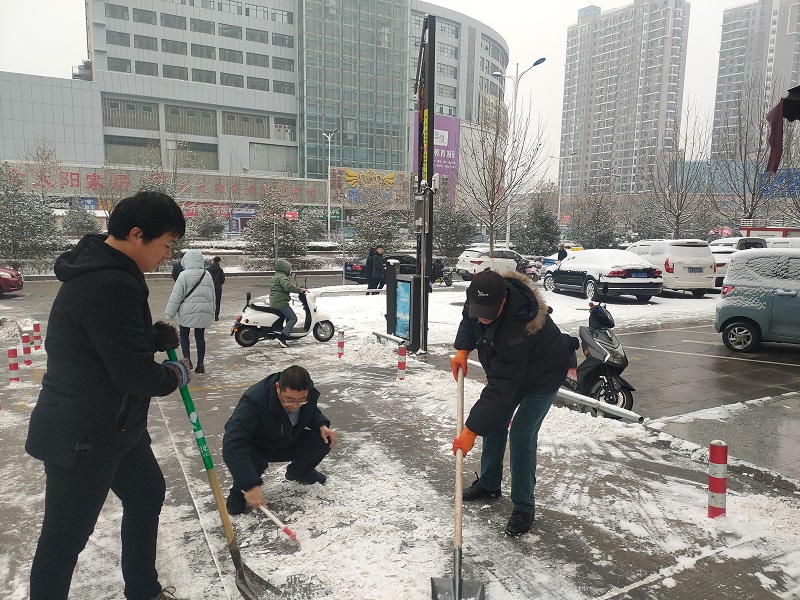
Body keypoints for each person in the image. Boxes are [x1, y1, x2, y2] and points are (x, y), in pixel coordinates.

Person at [25, 191, 192, 600]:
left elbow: (101, 340)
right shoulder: (109, 282)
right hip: (83, 435)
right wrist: (174, 374)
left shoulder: (108, 270)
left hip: (117, 426)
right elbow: (134, 375)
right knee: (64, 541)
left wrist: (148, 338)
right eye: (166, 244)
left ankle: (143, 590)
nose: (168, 255)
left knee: (146, 494)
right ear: (136, 235)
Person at [450, 268, 570, 537]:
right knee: (494, 424)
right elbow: (469, 320)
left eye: (488, 312)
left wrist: (470, 432)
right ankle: (489, 483)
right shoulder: (479, 297)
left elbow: (500, 388)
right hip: (510, 372)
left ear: (503, 300)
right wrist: (463, 349)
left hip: (543, 375)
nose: (482, 317)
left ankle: (524, 506)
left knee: (521, 434)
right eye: (478, 310)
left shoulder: (519, 325)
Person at [222, 365, 337, 515]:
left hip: (286, 439)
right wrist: (249, 485)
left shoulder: (305, 393)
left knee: (323, 440)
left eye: (301, 400)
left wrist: (321, 424)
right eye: (289, 400)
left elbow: (311, 410)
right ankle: (239, 491)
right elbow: (232, 442)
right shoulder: (254, 400)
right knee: (248, 456)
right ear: (278, 387)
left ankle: (299, 472)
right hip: (258, 446)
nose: (294, 406)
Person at [165, 249, 216, 374]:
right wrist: (212, 311)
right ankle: (200, 365)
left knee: (184, 335)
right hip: (203, 311)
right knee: (200, 337)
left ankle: (187, 362)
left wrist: (170, 313)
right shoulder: (207, 274)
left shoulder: (183, 275)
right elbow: (212, 295)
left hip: (186, 311)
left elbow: (176, 295)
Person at [270, 258, 307, 348]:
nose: (290, 271)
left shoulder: (276, 275)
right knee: (293, 318)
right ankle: (282, 337)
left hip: (275, 301)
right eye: (289, 268)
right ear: (285, 268)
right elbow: (287, 287)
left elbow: (285, 286)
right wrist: (299, 290)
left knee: (288, 317)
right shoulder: (282, 277)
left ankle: (287, 333)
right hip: (280, 302)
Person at [207, 255, 226, 321]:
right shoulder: (220, 270)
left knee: (210, 302)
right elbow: (222, 279)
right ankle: (216, 316)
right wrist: (218, 284)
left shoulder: (208, 269)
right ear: (219, 261)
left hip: (209, 288)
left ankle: (210, 314)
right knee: (217, 302)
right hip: (217, 288)